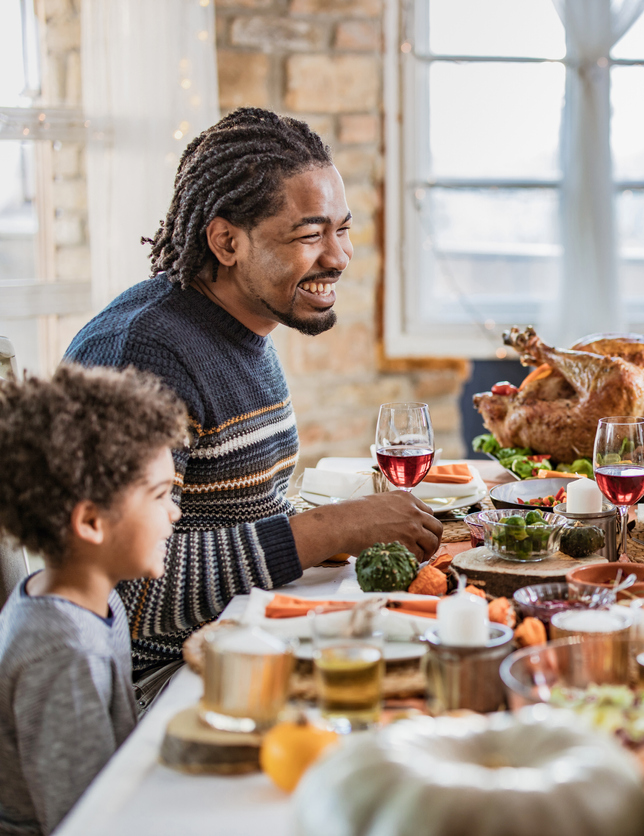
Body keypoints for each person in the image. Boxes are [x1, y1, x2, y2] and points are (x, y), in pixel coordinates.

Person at [63, 108, 442, 700]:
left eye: (342, 229)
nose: (338, 257)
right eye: (309, 235)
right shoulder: (142, 354)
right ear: (226, 241)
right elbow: (127, 593)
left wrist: (350, 530)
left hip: (246, 635)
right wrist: (330, 526)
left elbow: (238, 512)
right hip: (162, 685)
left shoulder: (244, 323)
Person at [0, 365, 186, 835]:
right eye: (161, 495)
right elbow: (84, 819)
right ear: (91, 523)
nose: (174, 512)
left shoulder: (93, 600)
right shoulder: (63, 652)